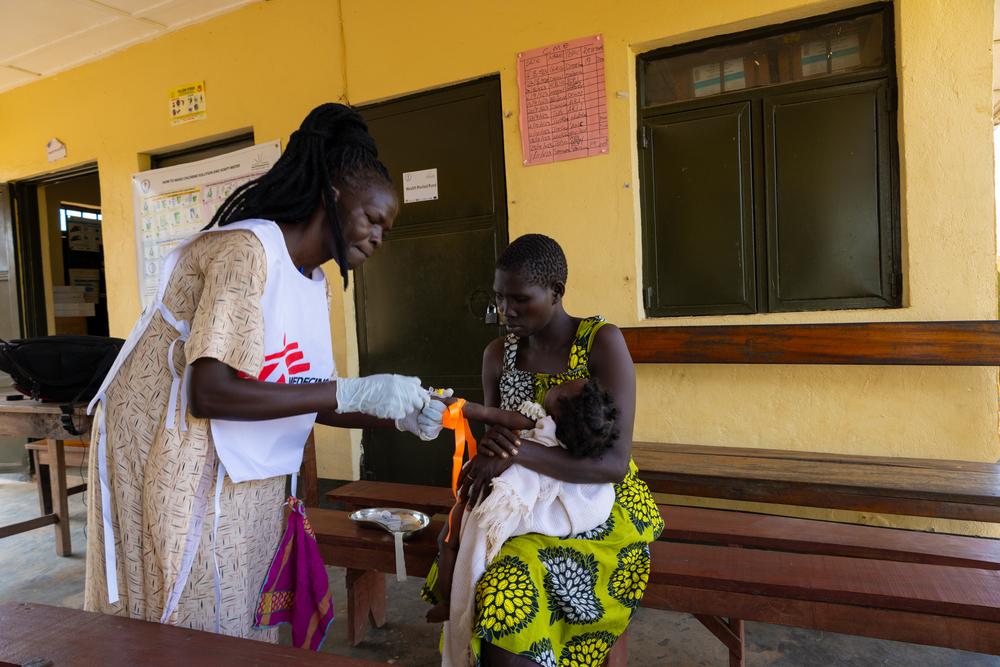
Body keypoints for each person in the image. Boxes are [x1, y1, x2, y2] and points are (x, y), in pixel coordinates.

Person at [84, 103, 446, 641]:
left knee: (245, 593)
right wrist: (357, 389)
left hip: (240, 457)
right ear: (333, 191)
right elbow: (208, 391)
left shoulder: (313, 281)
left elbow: (308, 394)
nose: (377, 239)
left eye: (386, 231)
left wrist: (392, 416)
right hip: (174, 445)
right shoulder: (245, 251)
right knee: (191, 606)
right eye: (373, 220)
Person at [422, 234, 664, 667]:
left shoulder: (600, 342)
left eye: (519, 299)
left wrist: (515, 453)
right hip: (522, 496)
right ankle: (460, 605)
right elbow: (497, 433)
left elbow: (610, 463)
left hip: (596, 511)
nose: (505, 312)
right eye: (499, 298)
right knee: (466, 546)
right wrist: (489, 441)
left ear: (556, 292)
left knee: (506, 588)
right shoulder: (498, 354)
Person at [426, 377, 619, 624]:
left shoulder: (540, 420)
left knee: (449, 540)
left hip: (496, 493)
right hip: (517, 500)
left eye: (560, 389)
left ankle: (448, 601)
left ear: (558, 411)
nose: (557, 384)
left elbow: (492, 414)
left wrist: (459, 406)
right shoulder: (574, 443)